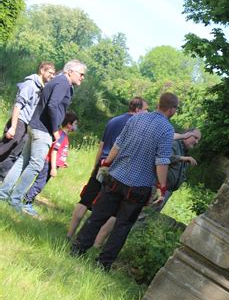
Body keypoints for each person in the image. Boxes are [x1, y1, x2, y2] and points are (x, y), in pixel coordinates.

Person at [71, 92, 178, 271]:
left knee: (98, 215)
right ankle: (103, 263)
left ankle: (78, 248)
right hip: (139, 186)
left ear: (159, 104)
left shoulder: (137, 119)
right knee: (122, 226)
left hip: (116, 176)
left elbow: (118, 144)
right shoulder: (167, 130)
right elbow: (162, 161)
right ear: (172, 109)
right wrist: (162, 186)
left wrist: (106, 163)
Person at [0, 60, 86, 213]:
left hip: (35, 126)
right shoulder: (63, 83)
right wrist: (54, 131)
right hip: (43, 130)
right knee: (35, 165)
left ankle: (3, 194)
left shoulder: (58, 81)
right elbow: (52, 105)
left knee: (23, 161)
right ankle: (14, 200)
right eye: (81, 74)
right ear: (70, 71)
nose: (83, 77)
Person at [66, 97, 149, 243]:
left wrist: (96, 164)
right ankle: (96, 243)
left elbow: (102, 145)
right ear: (137, 109)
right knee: (110, 209)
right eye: (145, 110)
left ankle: (69, 234)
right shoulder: (137, 126)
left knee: (86, 199)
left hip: (102, 164)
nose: (147, 114)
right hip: (117, 170)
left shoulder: (113, 120)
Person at [0, 61, 56, 181]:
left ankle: (1, 179)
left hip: (28, 126)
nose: (52, 76)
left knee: (14, 154)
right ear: (42, 70)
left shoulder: (43, 88)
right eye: (50, 73)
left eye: (53, 74)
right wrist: (13, 127)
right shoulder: (30, 85)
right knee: (4, 148)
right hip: (19, 122)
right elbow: (17, 106)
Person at [21, 113, 78, 217]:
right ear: (69, 125)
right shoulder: (61, 136)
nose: (76, 126)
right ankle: (26, 202)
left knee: (41, 184)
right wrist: (53, 168)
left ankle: (27, 201)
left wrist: (62, 162)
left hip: (52, 163)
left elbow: (58, 152)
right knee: (39, 184)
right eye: (75, 124)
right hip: (49, 164)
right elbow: (54, 151)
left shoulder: (63, 136)